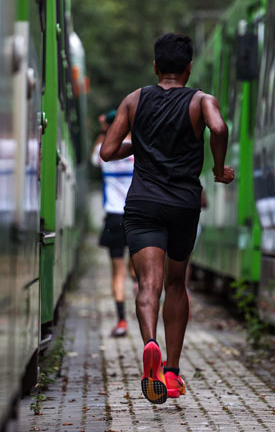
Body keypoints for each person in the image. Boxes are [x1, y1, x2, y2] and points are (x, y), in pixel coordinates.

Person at [100, 33, 234, 404]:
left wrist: (138, 144)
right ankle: (172, 373)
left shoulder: (134, 100)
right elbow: (219, 128)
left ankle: (151, 346)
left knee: (148, 285)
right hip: (183, 205)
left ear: (155, 67)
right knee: (176, 284)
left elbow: (108, 151)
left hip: (143, 203)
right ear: (189, 68)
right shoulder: (202, 100)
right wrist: (220, 169)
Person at [91, 110, 135, 337]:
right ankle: (136, 281)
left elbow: (94, 159)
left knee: (117, 272)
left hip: (114, 217)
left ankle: (121, 322)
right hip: (137, 216)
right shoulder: (138, 148)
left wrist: (104, 131)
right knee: (139, 266)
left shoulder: (103, 151)